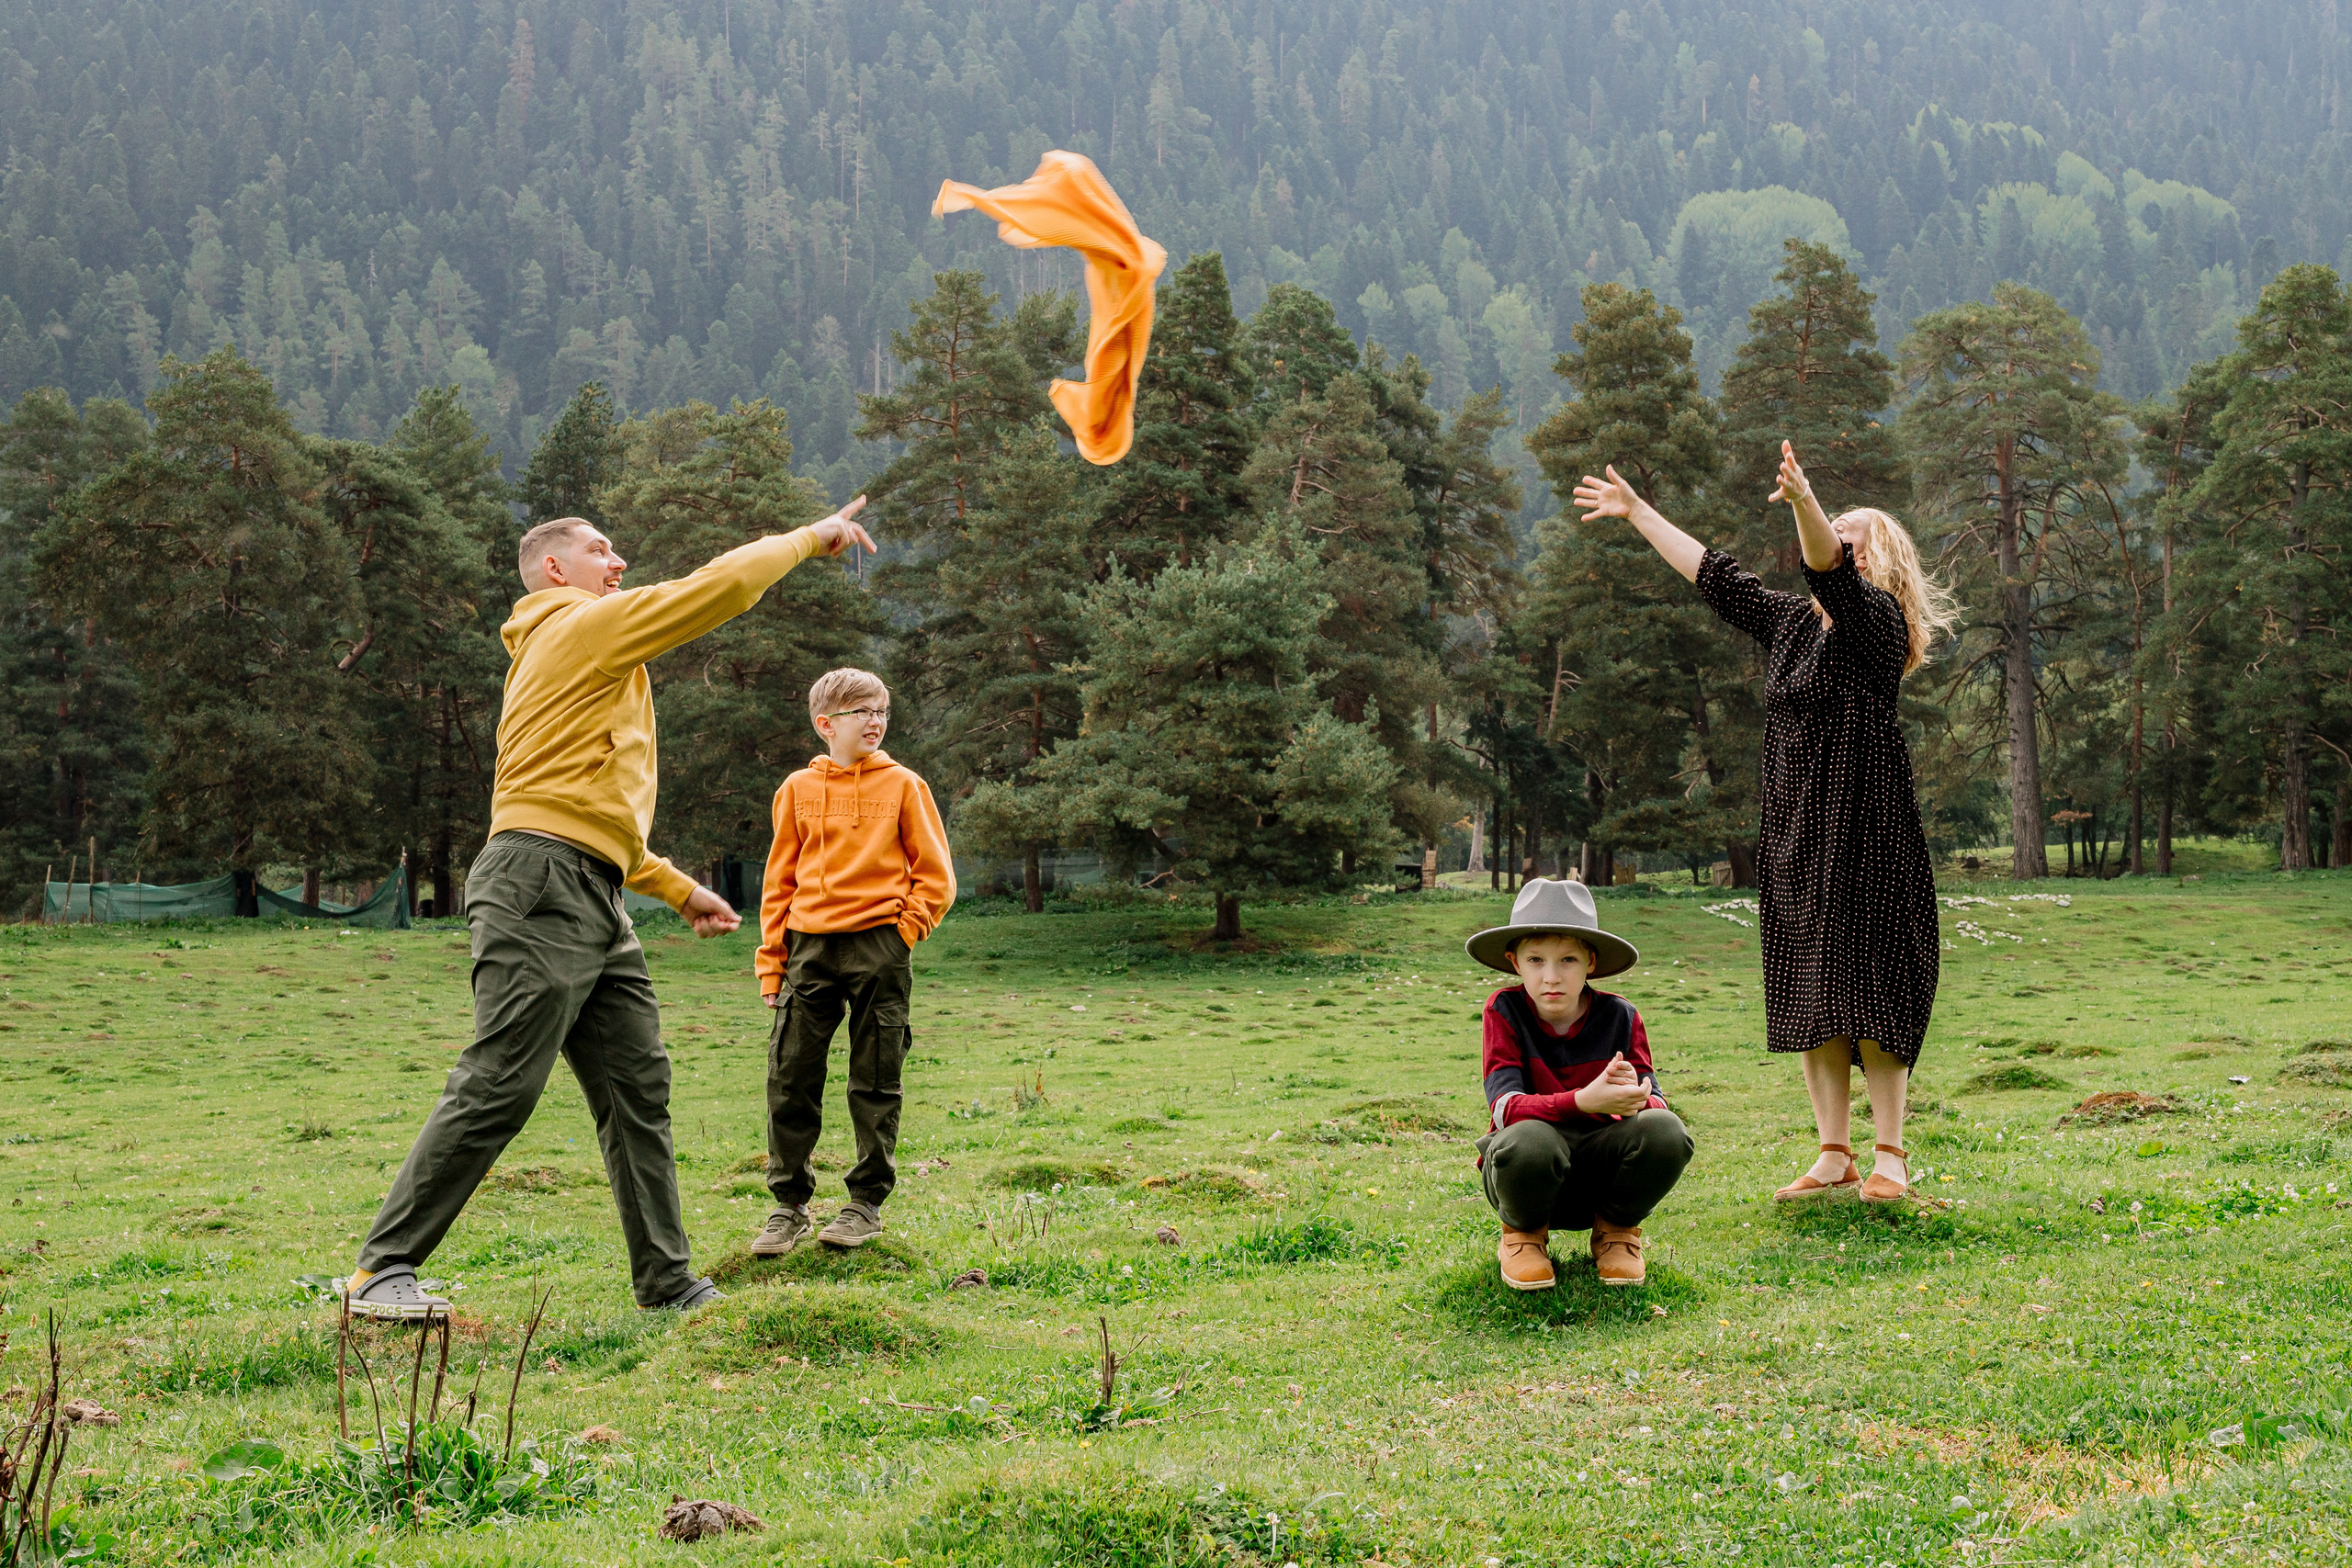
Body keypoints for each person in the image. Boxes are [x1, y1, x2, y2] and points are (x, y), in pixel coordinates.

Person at [340, 500, 877, 1321]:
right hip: (539, 883)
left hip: (590, 886)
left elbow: (581, 807)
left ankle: (668, 1283)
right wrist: (808, 539)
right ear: (556, 569)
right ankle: (381, 1272)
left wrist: (677, 888)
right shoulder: (576, 626)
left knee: (637, 1085)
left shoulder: (578, 652)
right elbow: (714, 590)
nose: (617, 561)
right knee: (503, 1077)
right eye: (600, 550)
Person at [1572, 443, 1956, 1205]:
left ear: (1879, 560)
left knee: (1874, 989)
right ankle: (1834, 1153)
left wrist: (1809, 502)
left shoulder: (1878, 624)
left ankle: (1890, 1155)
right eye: (1830, 526)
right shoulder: (1789, 623)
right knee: (1810, 988)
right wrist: (1638, 511)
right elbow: (1714, 575)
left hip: (1869, 831)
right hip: (1797, 831)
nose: (1834, 538)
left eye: (1851, 534)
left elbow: (1830, 572)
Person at [749, 669, 955, 1256]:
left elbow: (936, 876)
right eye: (862, 711)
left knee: (876, 1075)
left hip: (879, 947)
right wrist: (772, 962)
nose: (875, 722)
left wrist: (903, 933)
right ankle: (789, 1206)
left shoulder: (905, 785)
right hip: (807, 947)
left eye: (882, 711)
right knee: (790, 1076)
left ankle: (865, 1203)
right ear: (826, 724)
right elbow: (778, 882)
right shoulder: (796, 789)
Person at [1467, 878, 1693, 1290]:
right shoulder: (1504, 1009)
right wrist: (1583, 1101)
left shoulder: (1621, 1015)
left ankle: (1617, 1233)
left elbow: (1657, 1101)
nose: (1551, 977)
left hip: (1602, 1180)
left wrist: (1635, 1097)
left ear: (1590, 961)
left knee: (1667, 1130)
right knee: (1529, 1139)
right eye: (1536, 960)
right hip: (1528, 1178)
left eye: (1568, 960)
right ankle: (1523, 1238)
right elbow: (1503, 1107)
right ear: (1515, 963)